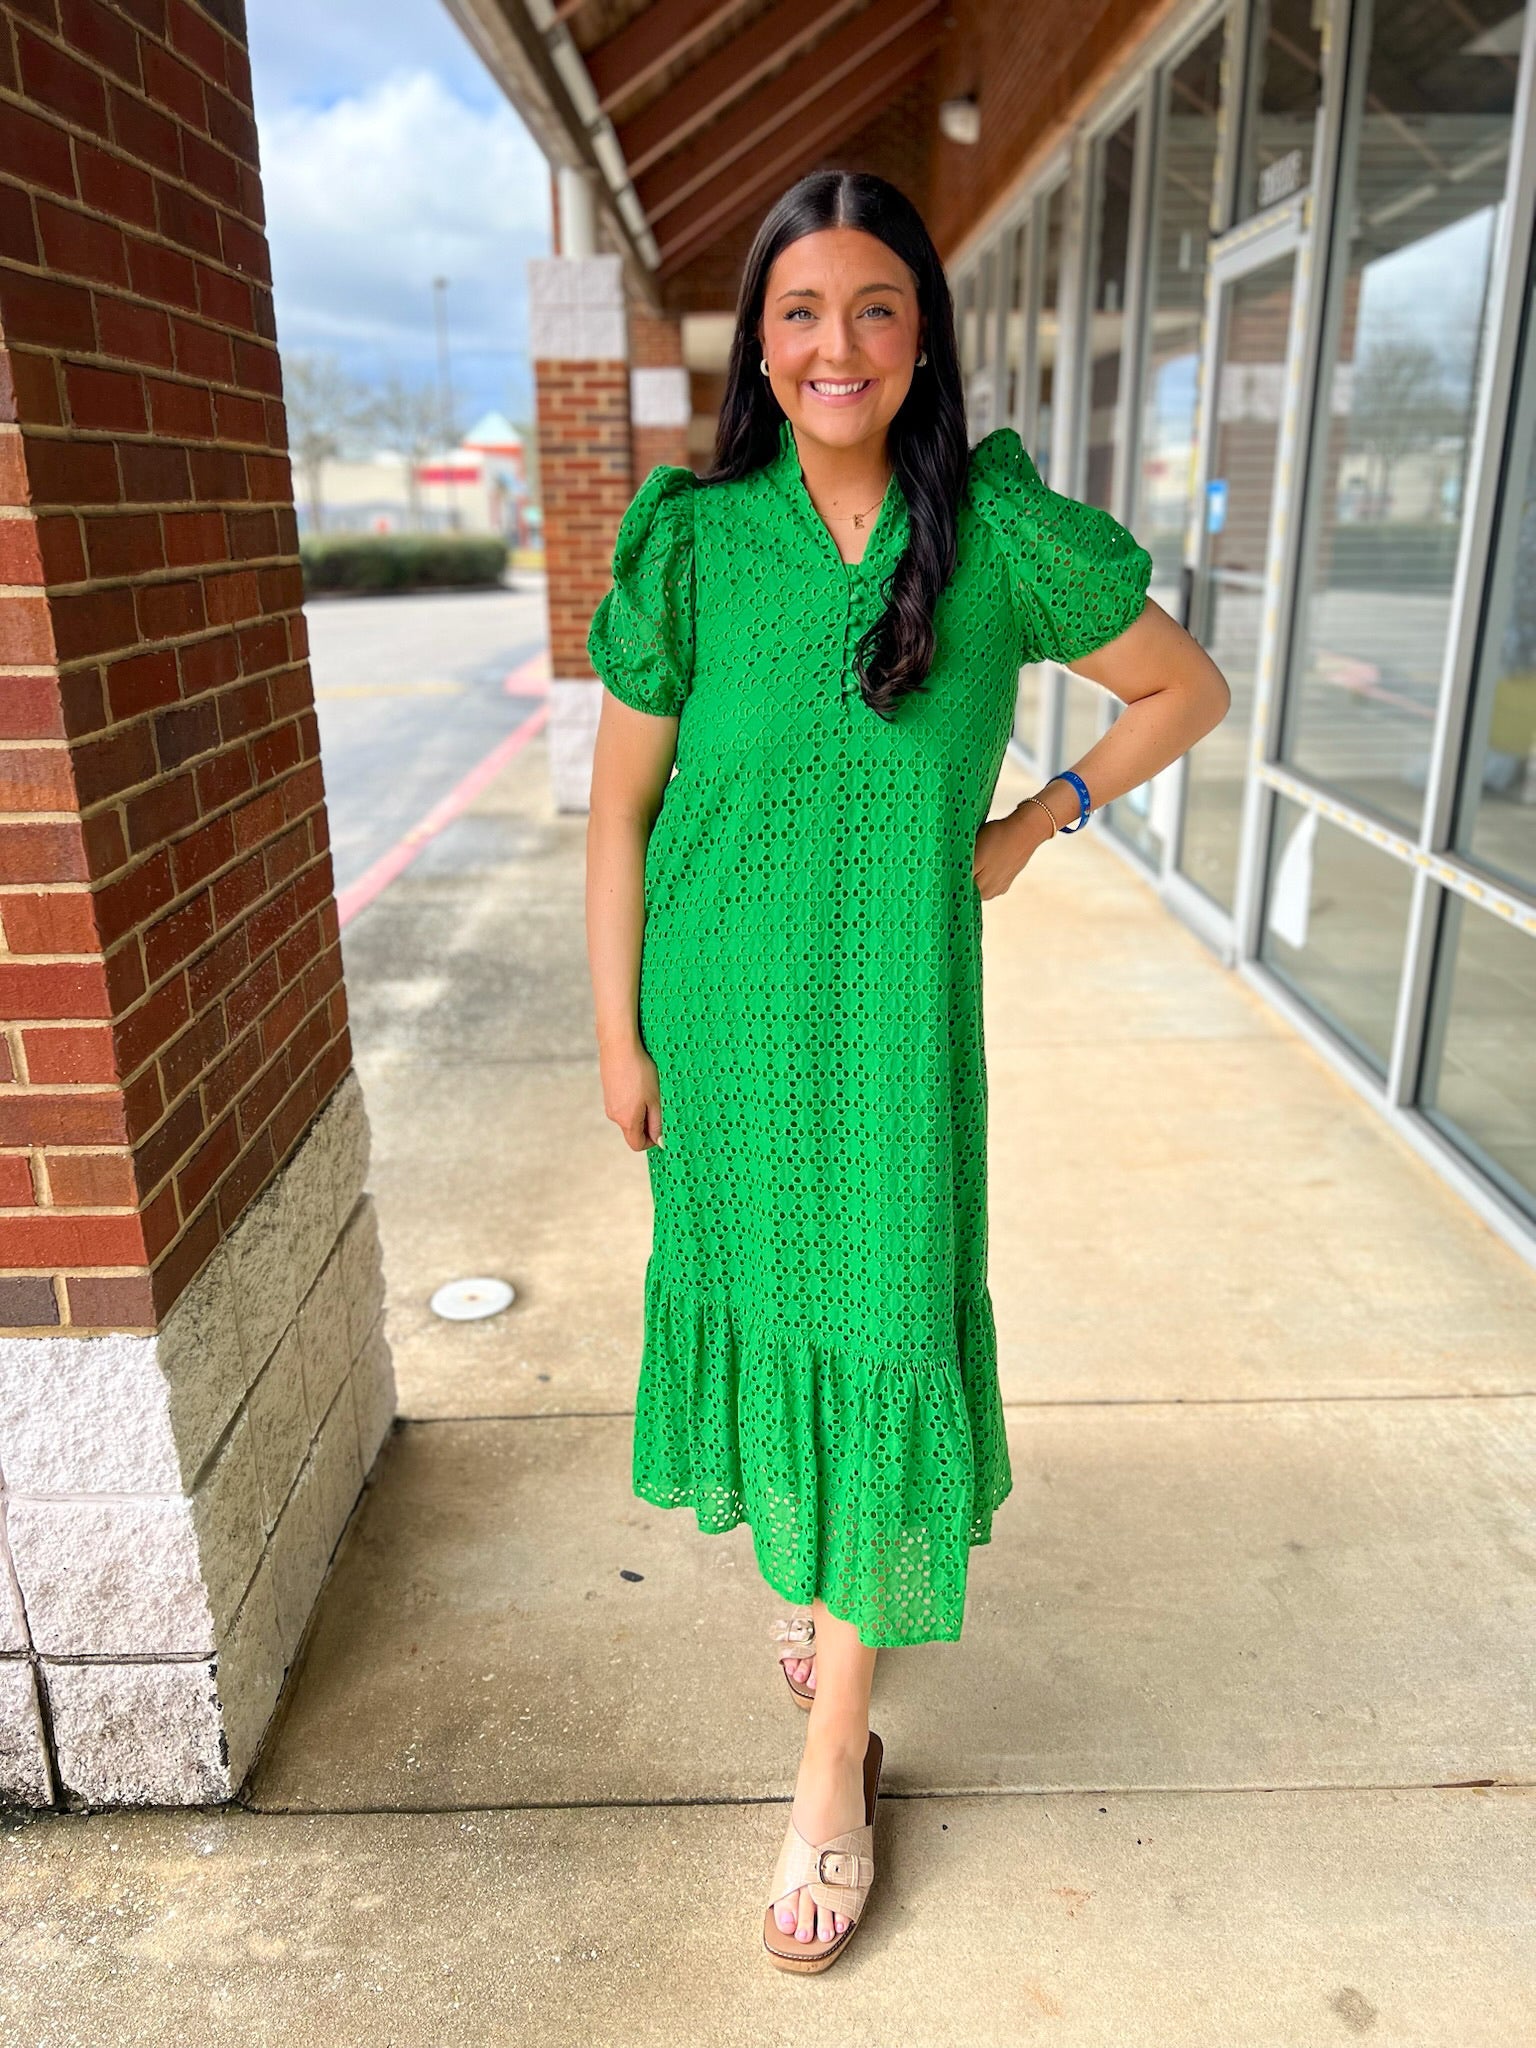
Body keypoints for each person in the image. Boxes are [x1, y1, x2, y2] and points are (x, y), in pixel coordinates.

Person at [584, 170, 1231, 1974]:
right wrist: (618, 1029)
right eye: (800, 311)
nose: (837, 343)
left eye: (875, 306)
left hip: (893, 1041)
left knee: (881, 1333)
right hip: (718, 1027)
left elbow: (1184, 689)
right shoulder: (696, 543)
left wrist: (1036, 824)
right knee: (779, 1319)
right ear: (759, 344)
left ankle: (828, 1763)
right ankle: (826, 1602)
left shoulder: (998, 532)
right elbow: (624, 810)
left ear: (921, 332)